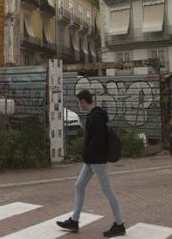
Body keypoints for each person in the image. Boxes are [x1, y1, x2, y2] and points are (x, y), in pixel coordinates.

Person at [56, 90, 126, 237]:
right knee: (79, 185)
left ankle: (119, 224)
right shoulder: (94, 115)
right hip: (91, 160)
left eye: (78, 102)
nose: (78, 105)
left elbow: (97, 141)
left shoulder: (96, 117)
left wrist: (87, 153)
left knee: (107, 190)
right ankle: (74, 221)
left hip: (97, 160)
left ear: (82, 101)